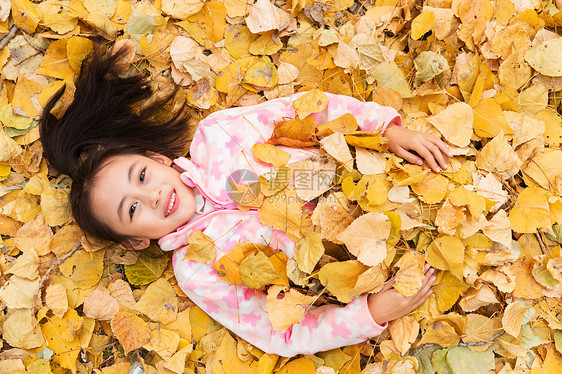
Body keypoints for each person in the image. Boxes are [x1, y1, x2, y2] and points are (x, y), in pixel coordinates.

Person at [39, 44, 452, 357]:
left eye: (142, 176)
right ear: (134, 241)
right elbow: (280, 332)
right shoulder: (197, 272)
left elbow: (308, 112)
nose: (152, 196)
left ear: (157, 158)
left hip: (392, 179)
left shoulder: (219, 136)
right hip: (387, 260)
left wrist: (385, 131)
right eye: (132, 210)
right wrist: (374, 311)